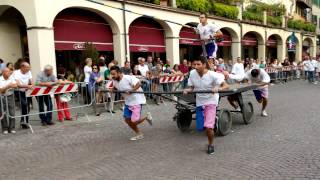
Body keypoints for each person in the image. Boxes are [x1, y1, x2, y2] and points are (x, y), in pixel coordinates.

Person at [183, 57, 229, 155]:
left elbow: (226, 86)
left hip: (211, 101)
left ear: (204, 64)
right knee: (200, 128)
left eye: (198, 64)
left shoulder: (213, 75)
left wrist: (218, 88)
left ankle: (211, 144)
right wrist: (188, 90)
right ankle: (213, 120)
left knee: (208, 127)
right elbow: (192, 87)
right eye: (194, 64)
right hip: (200, 101)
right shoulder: (192, 73)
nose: (196, 66)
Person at [109, 66, 153, 141]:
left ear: (119, 73)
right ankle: (139, 134)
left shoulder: (128, 78)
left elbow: (139, 83)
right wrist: (113, 89)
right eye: (111, 74)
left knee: (134, 121)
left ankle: (146, 117)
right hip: (128, 102)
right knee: (127, 120)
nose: (112, 76)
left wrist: (131, 90)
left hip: (137, 100)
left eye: (114, 74)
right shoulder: (115, 81)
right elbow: (116, 87)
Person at [13, 62, 34, 129]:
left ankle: (25, 121)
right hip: (18, 91)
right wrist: (28, 86)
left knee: (27, 106)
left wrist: (32, 85)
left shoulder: (29, 72)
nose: (28, 69)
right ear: (22, 67)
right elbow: (18, 84)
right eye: (27, 67)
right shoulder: (16, 73)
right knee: (24, 104)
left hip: (27, 91)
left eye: (29, 67)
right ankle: (23, 121)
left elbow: (32, 81)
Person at [0, 68, 17, 134]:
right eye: (7, 71)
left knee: (12, 112)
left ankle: (12, 128)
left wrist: (6, 87)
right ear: (3, 72)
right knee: (2, 113)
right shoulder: (0, 79)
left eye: (9, 71)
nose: (9, 73)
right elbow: (1, 90)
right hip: (1, 97)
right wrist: (8, 86)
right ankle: (5, 128)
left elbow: (15, 85)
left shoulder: (11, 77)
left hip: (10, 96)